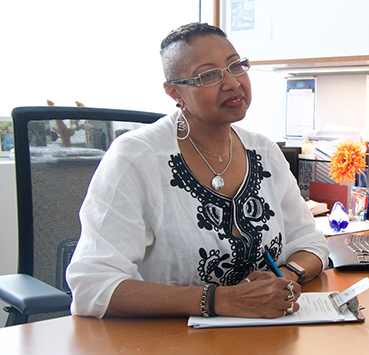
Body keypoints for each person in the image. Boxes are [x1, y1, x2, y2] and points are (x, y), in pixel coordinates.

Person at [66, 23, 329, 319]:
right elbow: (93, 286)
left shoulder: (264, 151)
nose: (232, 83)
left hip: (265, 337)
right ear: (173, 91)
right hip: (167, 340)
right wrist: (220, 300)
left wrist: (285, 276)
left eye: (236, 66)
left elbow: (310, 243)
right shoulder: (137, 157)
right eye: (209, 75)